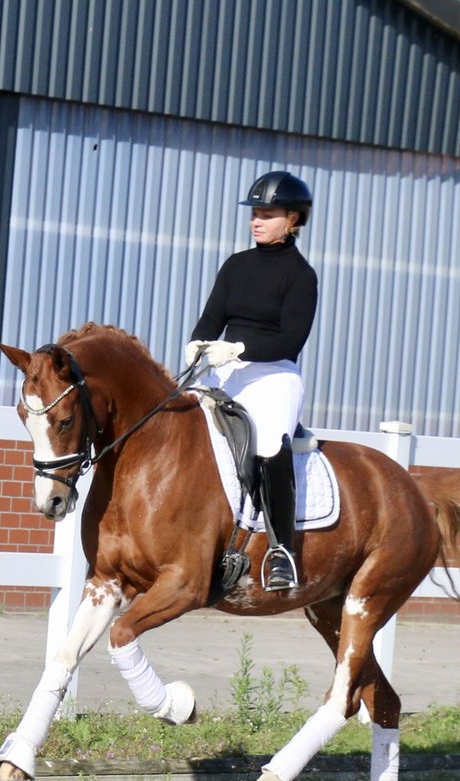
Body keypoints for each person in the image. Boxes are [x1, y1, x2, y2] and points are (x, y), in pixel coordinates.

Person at [184, 170, 318, 591]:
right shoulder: (236, 265)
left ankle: (282, 551)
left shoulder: (301, 276)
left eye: (267, 214)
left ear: (293, 219)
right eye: (254, 213)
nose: (256, 220)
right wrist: (197, 344)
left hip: (274, 374)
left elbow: (291, 337)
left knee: (268, 443)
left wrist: (239, 349)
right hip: (225, 370)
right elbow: (212, 318)